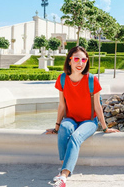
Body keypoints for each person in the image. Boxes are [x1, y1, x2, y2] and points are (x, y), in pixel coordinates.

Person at [46, 46, 118, 187]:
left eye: (84, 59)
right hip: (70, 118)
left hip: (89, 121)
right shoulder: (62, 79)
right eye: (77, 59)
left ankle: (63, 175)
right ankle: (63, 169)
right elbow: (62, 105)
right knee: (64, 129)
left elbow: (97, 106)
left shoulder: (92, 80)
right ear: (69, 61)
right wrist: (56, 127)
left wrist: (104, 128)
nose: (80, 63)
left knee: (76, 137)